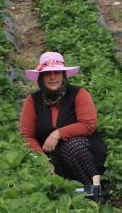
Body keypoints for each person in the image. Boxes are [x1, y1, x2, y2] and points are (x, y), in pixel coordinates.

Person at [19, 51, 107, 187]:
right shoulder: (33, 100)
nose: (52, 77)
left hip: (83, 156)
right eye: (47, 74)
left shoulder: (79, 94)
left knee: (73, 147)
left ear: (63, 75)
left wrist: (57, 134)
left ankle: (91, 188)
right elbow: (27, 135)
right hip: (50, 157)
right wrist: (42, 161)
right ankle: (60, 192)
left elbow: (88, 125)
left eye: (57, 73)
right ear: (41, 78)